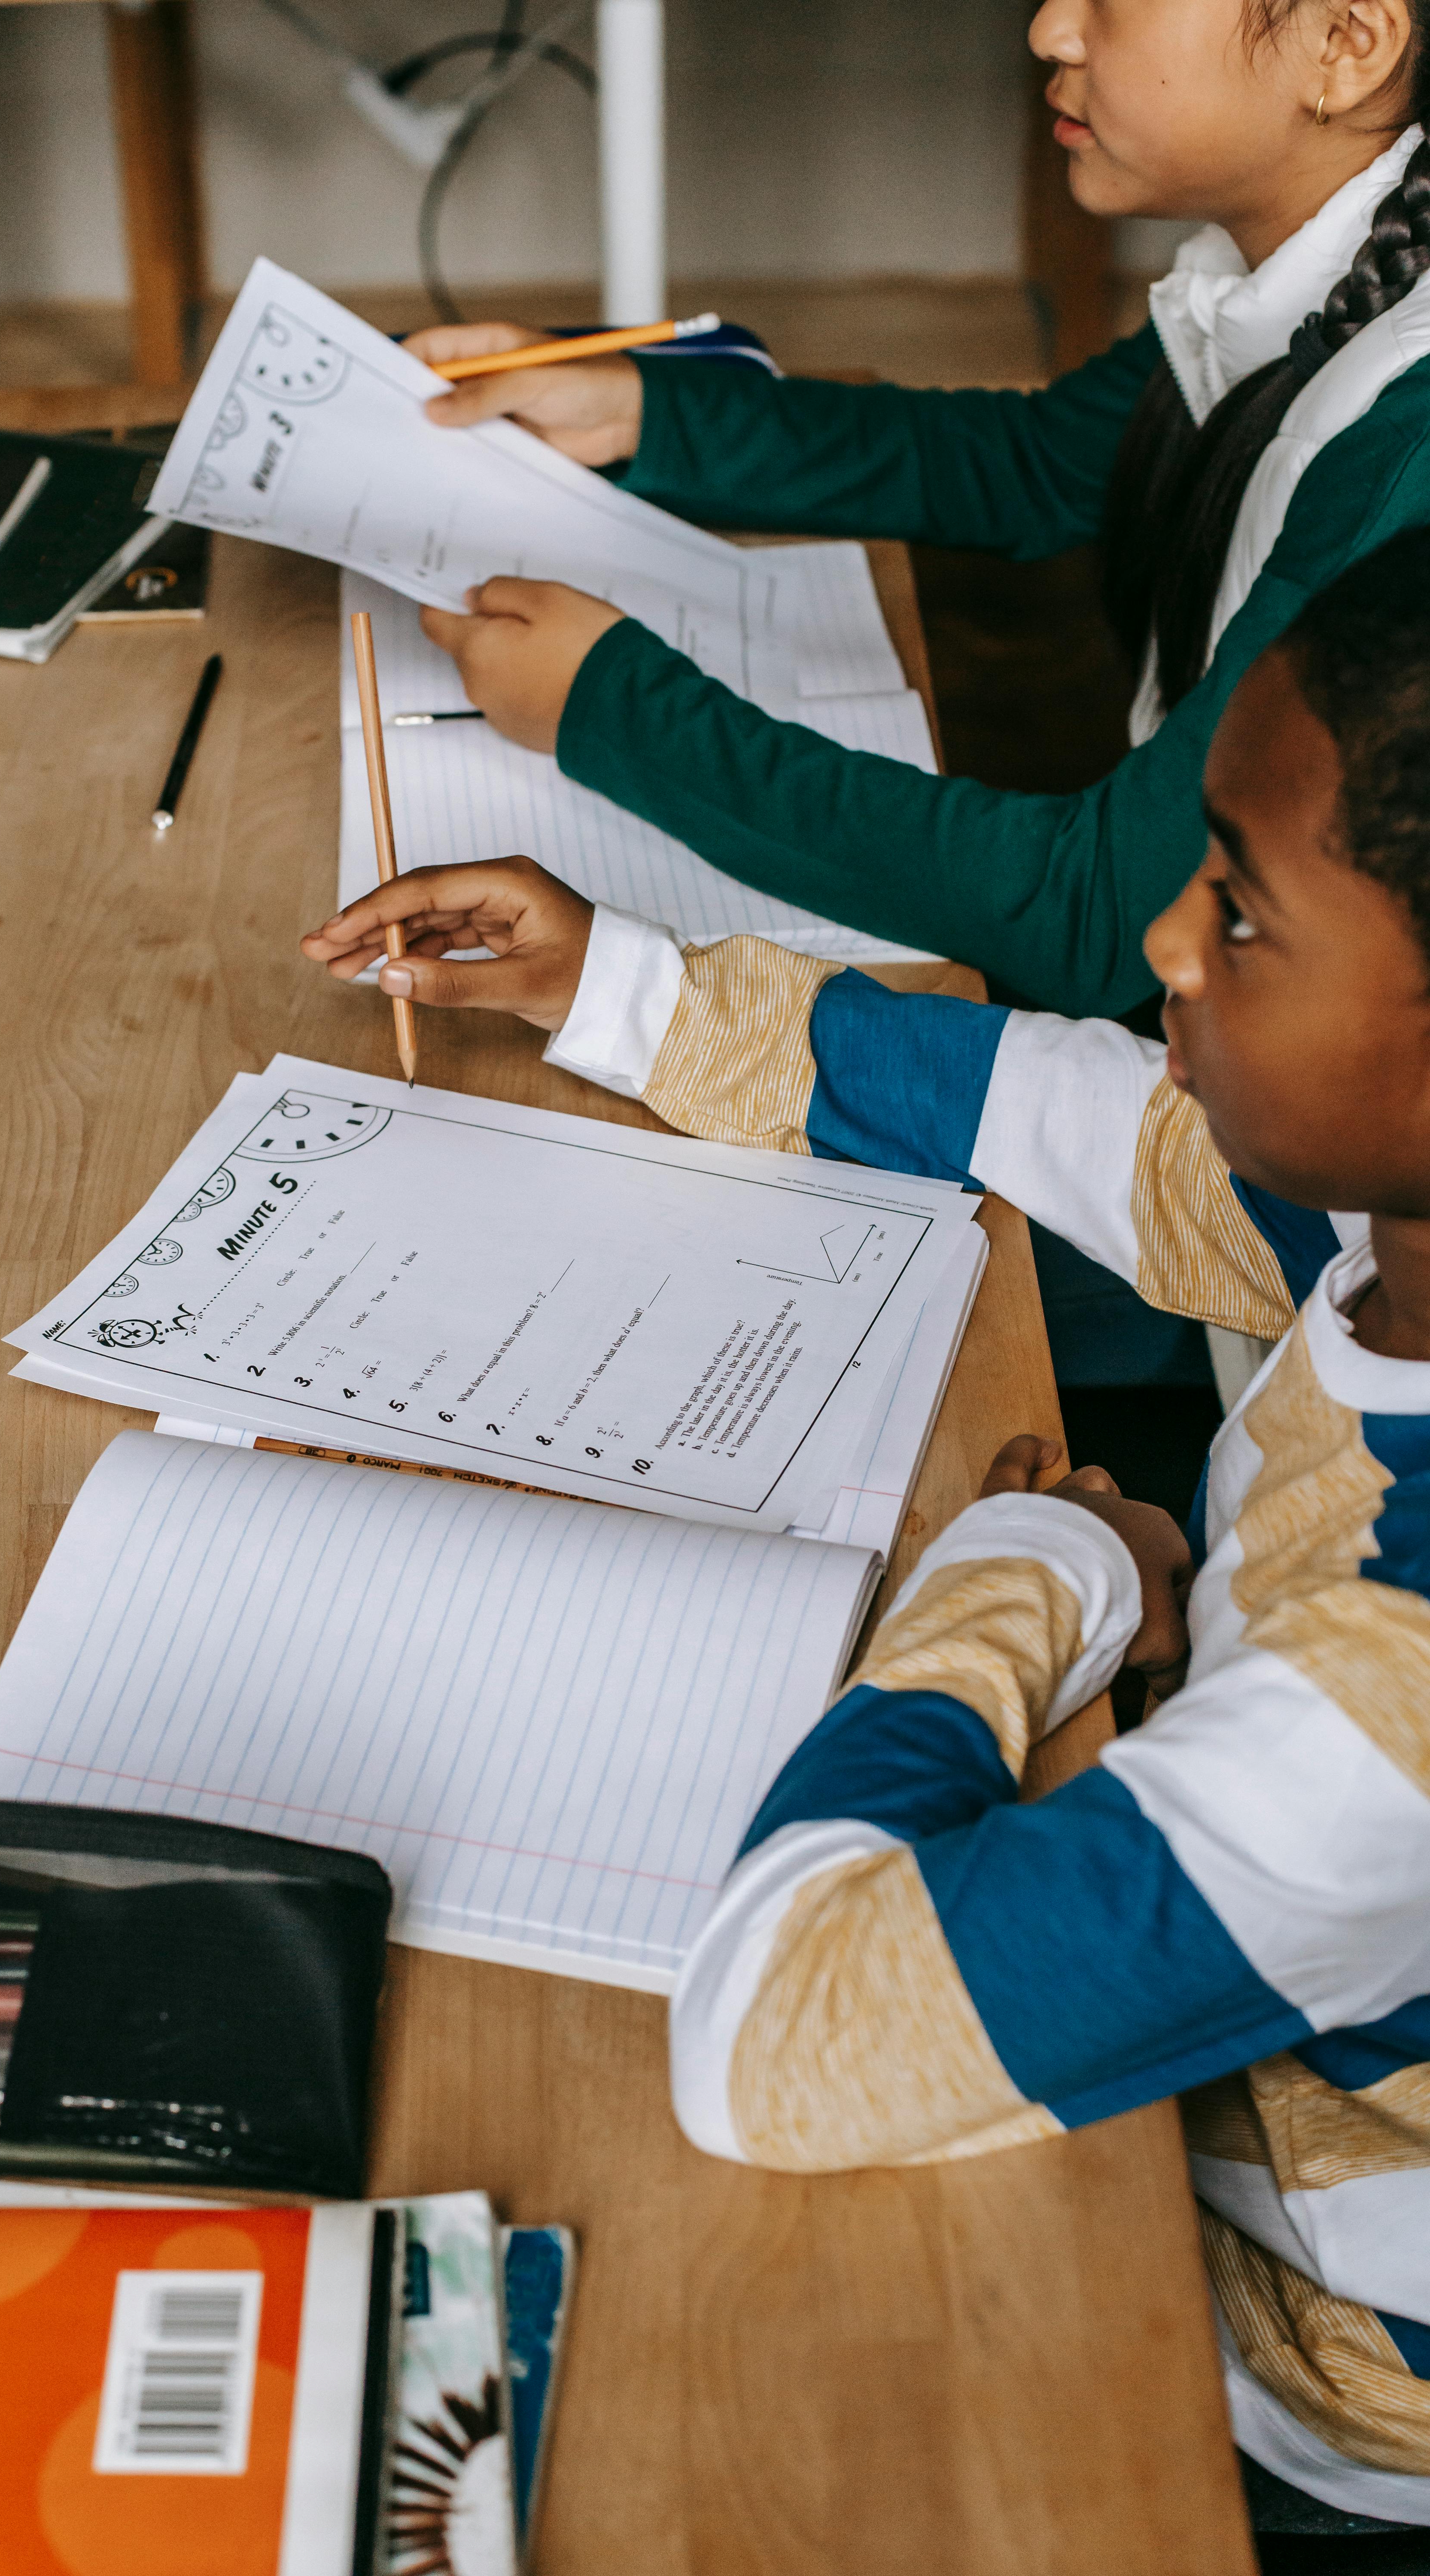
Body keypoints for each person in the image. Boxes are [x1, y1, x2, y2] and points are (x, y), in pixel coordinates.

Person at [304, 529, 1430, 2542]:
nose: (1164, 942)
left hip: (1294, 2381)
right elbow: (1119, 1132)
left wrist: (1036, 1579)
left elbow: (774, 2037)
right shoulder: (1389, 1230)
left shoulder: (1396, 1719)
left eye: (1239, 917)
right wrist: (620, 985)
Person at [400, 0, 1430, 1028]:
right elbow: (1030, 463)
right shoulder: (1310, 271)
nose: (1049, 30)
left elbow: (1097, 915)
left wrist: (609, 707)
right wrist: (636, 413)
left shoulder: (1404, 438)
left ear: (1347, 43)